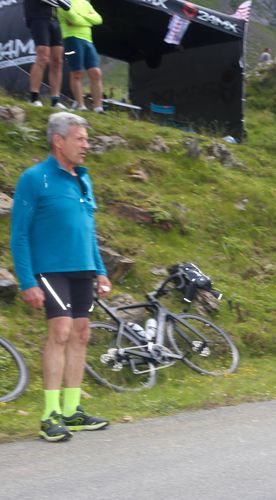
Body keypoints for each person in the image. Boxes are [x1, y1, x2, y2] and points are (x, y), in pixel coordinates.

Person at [10, 112, 111, 442]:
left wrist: (101, 270)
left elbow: (89, 228)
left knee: (81, 333)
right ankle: (49, 414)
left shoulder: (83, 178)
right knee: (61, 330)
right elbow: (19, 234)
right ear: (58, 140)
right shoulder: (34, 178)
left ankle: (72, 410)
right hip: (50, 268)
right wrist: (26, 281)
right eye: (80, 139)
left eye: (86, 139)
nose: (86, 145)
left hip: (83, 267)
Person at [57, 0, 104, 113]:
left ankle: (98, 108)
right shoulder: (63, 2)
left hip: (88, 40)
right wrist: (88, 20)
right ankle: (80, 106)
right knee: (77, 73)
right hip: (71, 39)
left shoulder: (85, 2)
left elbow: (99, 19)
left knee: (96, 73)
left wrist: (81, 17)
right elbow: (73, 18)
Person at [24, 0, 69, 109]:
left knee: (58, 60)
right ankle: (34, 99)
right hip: (38, 18)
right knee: (42, 57)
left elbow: (67, 5)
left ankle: (55, 101)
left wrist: (58, 2)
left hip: (54, 20)